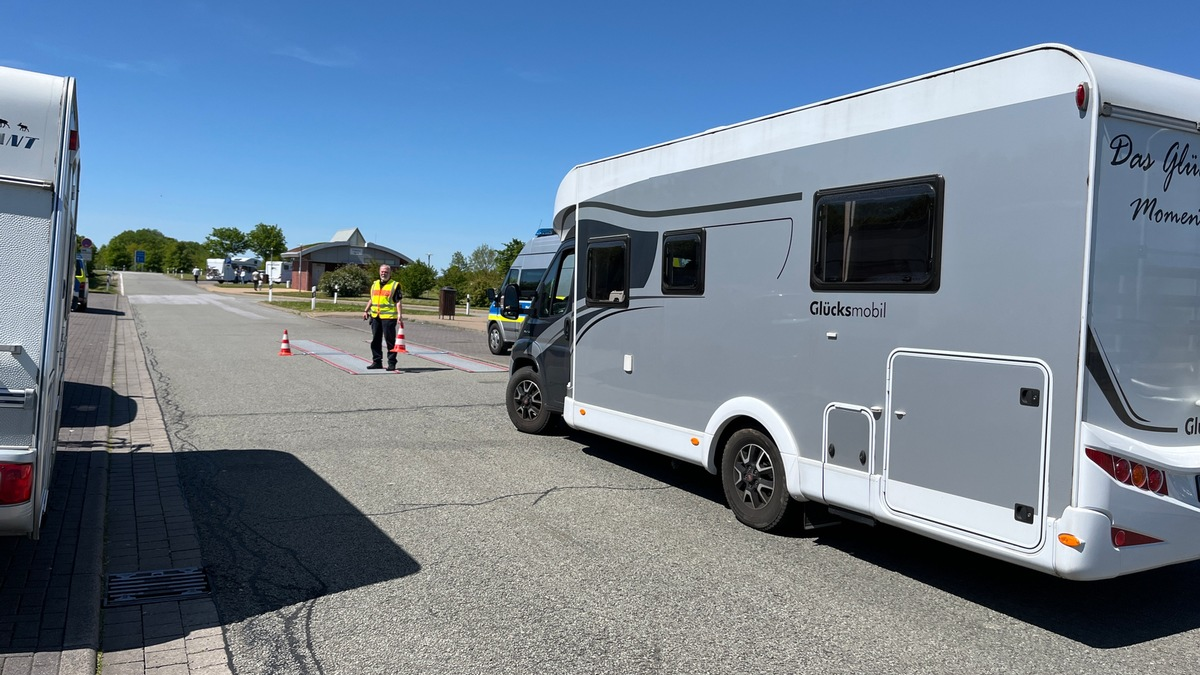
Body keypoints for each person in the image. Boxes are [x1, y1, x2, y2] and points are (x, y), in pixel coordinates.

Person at [362, 264, 404, 371]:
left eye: (386, 272)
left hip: (389, 317)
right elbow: (372, 299)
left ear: (390, 273)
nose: (384, 273)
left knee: (390, 341)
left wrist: (399, 315)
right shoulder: (374, 284)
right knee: (375, 340)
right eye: (382, 271)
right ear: (379, 272)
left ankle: (391, 363)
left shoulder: (395, 285)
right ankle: (377, 362)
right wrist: (366, 310)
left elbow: (398, 301)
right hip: (375, 316)